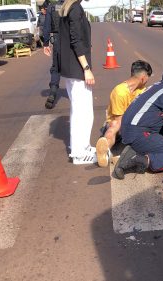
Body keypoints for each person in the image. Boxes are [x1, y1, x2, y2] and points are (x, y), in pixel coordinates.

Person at [58, 0, 96, 165]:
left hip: (71, 68)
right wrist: (86, 68)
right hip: (77, 68)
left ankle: (83, 146)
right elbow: (76, 41)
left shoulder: (69, 8)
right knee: (83, 112)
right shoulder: (75, 9)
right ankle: (79, 153)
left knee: (81, 111)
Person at [95, 60, 153, 167]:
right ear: (144, 78)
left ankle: (120, 154)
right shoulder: (119, 91)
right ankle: (105, 148)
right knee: (115, 124)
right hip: (118, 126)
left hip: (132, 126)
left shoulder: (143, 91)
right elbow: (119, 119)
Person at [43, 0, 63, 109]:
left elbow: (46, 27)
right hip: (71, 40)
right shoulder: (74, 5)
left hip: (57, 40)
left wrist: (46, 43)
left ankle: (52, 93)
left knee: (56, 68)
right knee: (76, 68)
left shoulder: (52, 7)